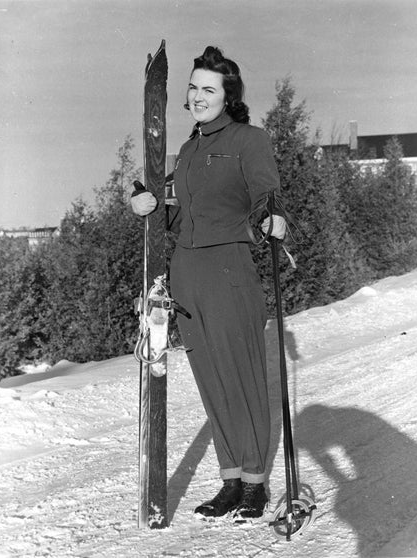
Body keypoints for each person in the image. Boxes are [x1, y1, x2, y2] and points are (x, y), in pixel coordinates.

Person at [131, 46, 286, 522]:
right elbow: (180, 213)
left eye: (209, 89)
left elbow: (266, 193)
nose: (198, 96)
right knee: (211, 381)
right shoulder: (190, 149)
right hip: (187, 274)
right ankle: (231, 480)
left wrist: (272, 218)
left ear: (228, 96)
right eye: (194, 88)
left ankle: (256, 484)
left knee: (241, 377)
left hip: (229, 270)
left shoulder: (249, 139)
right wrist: (145, 200)